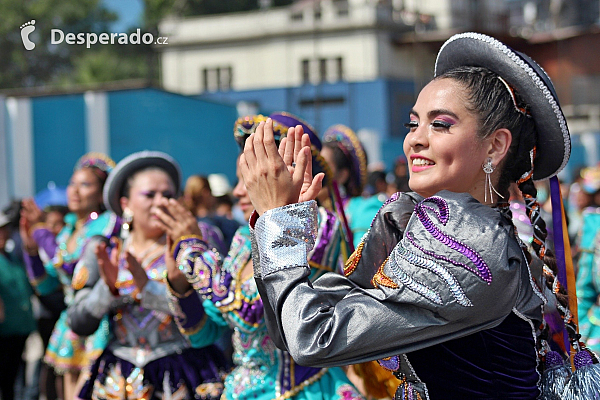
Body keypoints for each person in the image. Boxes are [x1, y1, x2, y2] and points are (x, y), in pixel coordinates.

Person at [241, 32, 599, 399]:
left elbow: (314, 339)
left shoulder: (474, 246)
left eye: (440, 124)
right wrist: (282, 220)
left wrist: (280, 221)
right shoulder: (438, 222)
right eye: (414, 124)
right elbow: (295, 328)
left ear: (494, 146)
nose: (415, 140)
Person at [165, 115, 364, 400]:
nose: (237, 191)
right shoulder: (241, 237)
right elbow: (205, 333)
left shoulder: (318, 225)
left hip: (303, 390)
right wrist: (179, 285)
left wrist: (193, 253)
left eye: (249, 177)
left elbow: (249, 313)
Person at [66, 151, 228, 400]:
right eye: (149, 195)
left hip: (185, 371)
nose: (161, 202)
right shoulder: (103, 249)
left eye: (168, 195)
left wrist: (149, 289)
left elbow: (218, 312)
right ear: (125, 204)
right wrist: (107, 291)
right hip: (118, 376)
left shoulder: (195, 241)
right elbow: (78, 323)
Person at [20, 152, 118, 400]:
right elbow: (48, 285)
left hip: (98, 324)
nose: (74, 191)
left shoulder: (106, 225)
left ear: (102, 192)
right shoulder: (68, 231)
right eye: (72, 184)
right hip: (70, 324)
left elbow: (79, 273)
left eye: (85, 185)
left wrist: (42, 234)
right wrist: (32, 250)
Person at [0, 210, 37, 400]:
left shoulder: (12, 258)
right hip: (4, 330)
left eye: (5, 230)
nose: (3, 235)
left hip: (19, 328)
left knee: (13, 377)